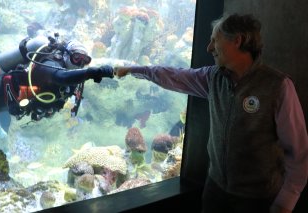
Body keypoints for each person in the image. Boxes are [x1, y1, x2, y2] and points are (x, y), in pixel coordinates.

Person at [113, 13, 308, 213]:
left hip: (258, 199)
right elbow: (173, 75)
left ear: (237, 41)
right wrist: (134, 70)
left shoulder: (278, 86)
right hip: (215, 190)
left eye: (215, 40)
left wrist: (284, 204)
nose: (209, 47)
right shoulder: (213, 78)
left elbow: (298, 154)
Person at [0, 32, 114, 121]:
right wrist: (90, 73)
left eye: (84, 61)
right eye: (76, 58)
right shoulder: (50, 63)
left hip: (12, 102)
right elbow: (60, 77)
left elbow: (59, 100)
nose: (79, 64)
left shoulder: (74, 77)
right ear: (66, 55)